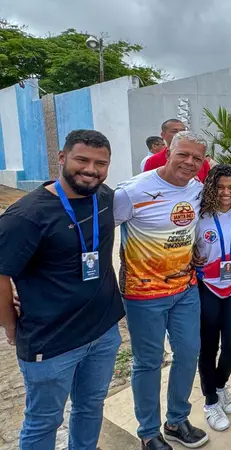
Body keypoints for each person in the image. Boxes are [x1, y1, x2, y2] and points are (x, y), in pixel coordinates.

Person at [0, 130, 123, 450]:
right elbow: (1, 277)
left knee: (91, 405)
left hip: (104, 332)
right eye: (82, 159)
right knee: (44, 421)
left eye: (101, 163)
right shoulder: (26, 216)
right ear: (62, 158)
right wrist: (11, 326)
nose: (91, 169)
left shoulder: (106, 197)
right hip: (52, 343)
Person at [115, 130, 208, 449]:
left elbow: (192, 229)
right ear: (168, 152)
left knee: (188, 352)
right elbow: (98, 235)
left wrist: (196, 249)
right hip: (143, 296)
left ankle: (177, 420)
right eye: (183, 154)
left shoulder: (198, 190)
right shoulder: (132, 191)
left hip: (185, 289)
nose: (190, 162)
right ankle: (148, 432)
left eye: (197, 157)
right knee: (148, 361)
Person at [192, 165, 231, 431]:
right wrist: (192, 253)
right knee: (208, 347)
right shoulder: (199, 216)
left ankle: (221, 384)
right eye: (220, 187)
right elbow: (184, 244)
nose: (226, 192)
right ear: (211, 187)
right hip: (207, 288)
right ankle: (211, 401)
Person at [144, 119, 212, 182]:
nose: (180, 134)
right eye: (174, 131)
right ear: (163, 135)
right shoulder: (153, 161)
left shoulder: (201, 163)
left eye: (183, 131)